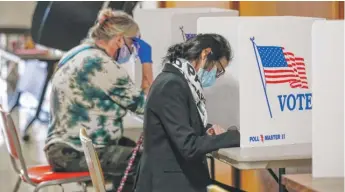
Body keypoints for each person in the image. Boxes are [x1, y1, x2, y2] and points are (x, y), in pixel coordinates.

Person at [44, 8, 151, 190]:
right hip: (74, 152)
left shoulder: (79, 52)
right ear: (119, 40)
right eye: (134, 44)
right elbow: (146, 107)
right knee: (145, 162)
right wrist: (147, 61)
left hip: (61, 148)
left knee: (131, 147)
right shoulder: (102, 65)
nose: (134, 51)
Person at [134, 34, 241, 192]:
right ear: (205, 54)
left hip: (176, 179)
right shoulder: (171, 85)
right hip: (168, 184)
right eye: (218, 70)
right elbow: (189, 147)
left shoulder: (176, 81)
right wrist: (236, 137)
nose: (216, 77)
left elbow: (181, 127)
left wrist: (206, 131)